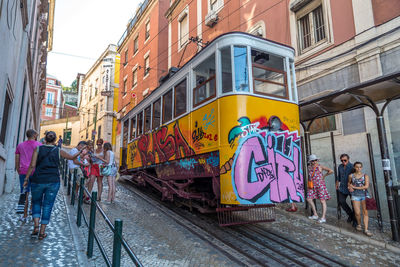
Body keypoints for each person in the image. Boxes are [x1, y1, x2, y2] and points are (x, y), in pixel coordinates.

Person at [23, 131, 85, 240]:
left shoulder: (38, 149)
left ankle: (36, 226)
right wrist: (80, 151)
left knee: (36, 202)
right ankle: (42, 232)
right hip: (53, 181)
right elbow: (72, 157)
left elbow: (32, 165)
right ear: (55, 140)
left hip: (38, 179)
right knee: (48, 205)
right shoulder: (58, 151)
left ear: (45, 139)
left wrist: (26, 178)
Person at [15, 129, 42, 220]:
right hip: (35, 171)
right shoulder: (39, 145)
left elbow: (17, 159)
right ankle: (31, 210)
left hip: (23, 171)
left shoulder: (20, 145)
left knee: (25, 192)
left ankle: (25, 215)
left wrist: (18, 169)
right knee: (35, 192)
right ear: (34, 135)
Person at [348, 162, 373, 237]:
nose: (358, 168)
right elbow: (349, 183)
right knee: (357, 213)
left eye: (360, 167)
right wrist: (349, 187)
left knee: (365, 212)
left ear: (361, 168)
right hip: (355, 196)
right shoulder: (351, 176)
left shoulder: (365, 176)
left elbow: (366, 186)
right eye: (357, 167)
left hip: (365, 195)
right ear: (354, 167)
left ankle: (366, 229)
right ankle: (359, 224)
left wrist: (354, 187)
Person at [306, 154, 333, 223]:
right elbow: (310, 176)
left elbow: (331, 171)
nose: (314, 162)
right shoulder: (309, 167)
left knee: (322, 201)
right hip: (312, 186)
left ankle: (323, 217)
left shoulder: (320, 166)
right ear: (310, 161)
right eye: (312, 161)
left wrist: (324, 176)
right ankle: (315, 214)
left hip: (320, 185)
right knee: (309, 199)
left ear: (317, 160)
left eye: (315, 160)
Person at [336, 154, 355, 224]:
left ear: (348, 159)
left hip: (351, 188)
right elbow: (339, 176)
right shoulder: (340, 166)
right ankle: (351, 215)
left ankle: (355, 221)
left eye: (345, 160)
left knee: (354, 204)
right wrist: (337, 183)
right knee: (341, 201)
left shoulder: (352, 166)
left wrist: (352, 186)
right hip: (343, 187)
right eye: (342, 160)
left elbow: (355, 177)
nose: (343, 162)